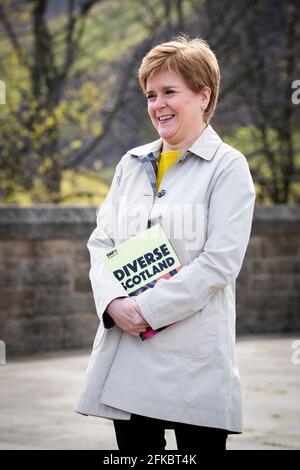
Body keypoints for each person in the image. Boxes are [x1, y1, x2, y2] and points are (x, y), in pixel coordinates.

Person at [74, 35, 256, 452]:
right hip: (129, 359)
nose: (158, 104)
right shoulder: (130, 164)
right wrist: (113, 302)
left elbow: (219, 263)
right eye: (151, 95)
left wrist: (146, 310)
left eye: (170, 92)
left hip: (193, 363)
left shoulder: (229, 168)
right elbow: (101, 242)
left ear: (203, 95)